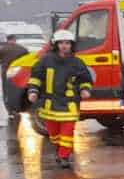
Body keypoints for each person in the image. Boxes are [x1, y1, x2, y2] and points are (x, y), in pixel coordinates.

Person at [27, 30, 94, 168]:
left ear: (71, 45)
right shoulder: (45, 60)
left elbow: (85, 79)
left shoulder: (77, 62)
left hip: (69, 103)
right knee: (54, 134)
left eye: (67, 43)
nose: (64, 46)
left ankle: (64, 156)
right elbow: (36, 77)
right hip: (50, 104)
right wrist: (33, 91)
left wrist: (85, 90)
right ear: (56, 44)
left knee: (67, 132)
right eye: (61, 43)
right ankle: (59, 149)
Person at [0, 33, 27, 121]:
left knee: (6, 92)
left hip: (7, 73)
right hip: (19, 73)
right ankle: (19, 109)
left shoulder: (3, 49)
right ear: (14, 40)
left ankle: (10, 111)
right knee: (18, 90)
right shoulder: (22, 49)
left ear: (7, 40)